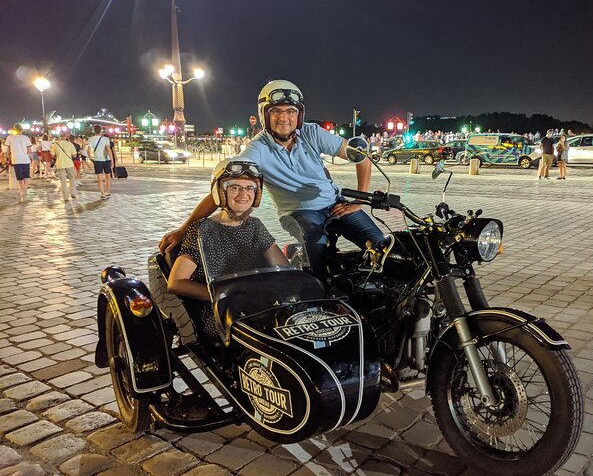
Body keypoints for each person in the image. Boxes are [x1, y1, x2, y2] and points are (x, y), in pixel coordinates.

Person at [159, 80, 384, 281]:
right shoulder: (258, 148)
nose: (284, 118)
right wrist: (184, 229)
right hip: (299, 212)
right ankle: (321, 298)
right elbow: (225, 187)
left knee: (381, 246)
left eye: (291, 111)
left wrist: (359, 200)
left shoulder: (311, 133)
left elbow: (360, 156)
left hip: (337, 204)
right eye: (276, 111)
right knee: (317, 248)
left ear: (299, 114)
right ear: (265, 115)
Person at [167, 159, 289, 342]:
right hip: (221, 309)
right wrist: (223, 295)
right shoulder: (203, 230)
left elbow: (283, 268)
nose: (243, 194)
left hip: (256, 302)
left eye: (249, 188)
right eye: (235, 188)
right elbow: (176, 283)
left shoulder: (255, 226)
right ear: (221, 192)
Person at [2, 124, 32, 202]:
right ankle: (25, 192)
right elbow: (29, 150)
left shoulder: (10, 137)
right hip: (25, 160)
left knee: (19, 178)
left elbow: (5, 150)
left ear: (14, 129)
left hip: (16, 160)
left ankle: (22, 192)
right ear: (22, 130)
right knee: (26, 177)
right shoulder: (26, 138)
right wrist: (29, 157)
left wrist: (8, 157)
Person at [50, 133, 79, 202]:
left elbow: (52, 155)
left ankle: (65, 197)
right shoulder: (70, 144)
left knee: (63, 181)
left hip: (60, 164)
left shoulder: (55, 144)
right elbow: (74, 155)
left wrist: (58, 157)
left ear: (60, 137)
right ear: (66, 137)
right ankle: (73, 193)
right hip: (69, 164)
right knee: (72, 179)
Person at [88, 125, 114, 198]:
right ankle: (108, 192)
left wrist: (90, 157)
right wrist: (112, 160)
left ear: (94, 131)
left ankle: (102, 193)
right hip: (106, 160)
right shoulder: (106, 139)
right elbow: (108, 150)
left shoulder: (91, 139)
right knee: (108, 177)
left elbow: (89, 150)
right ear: (101, 130)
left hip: (97, 160)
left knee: (99, 178)